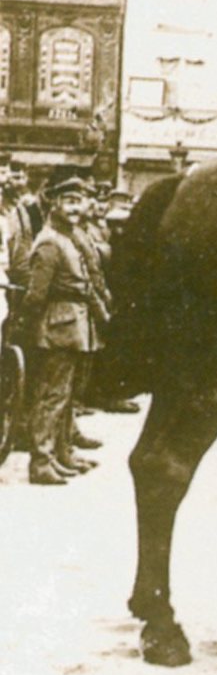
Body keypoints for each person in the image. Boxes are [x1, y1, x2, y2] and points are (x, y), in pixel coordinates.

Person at [20, 177, 107, 485]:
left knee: (67, 395)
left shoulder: (69, 237)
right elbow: (36, 295)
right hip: (58, 324)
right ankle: (41, 461)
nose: (74, 208)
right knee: (51, 395)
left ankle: (59, 454)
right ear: (55, 204)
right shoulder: (49, 241)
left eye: (78, 202)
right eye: (68, 201)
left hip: (74, 324)